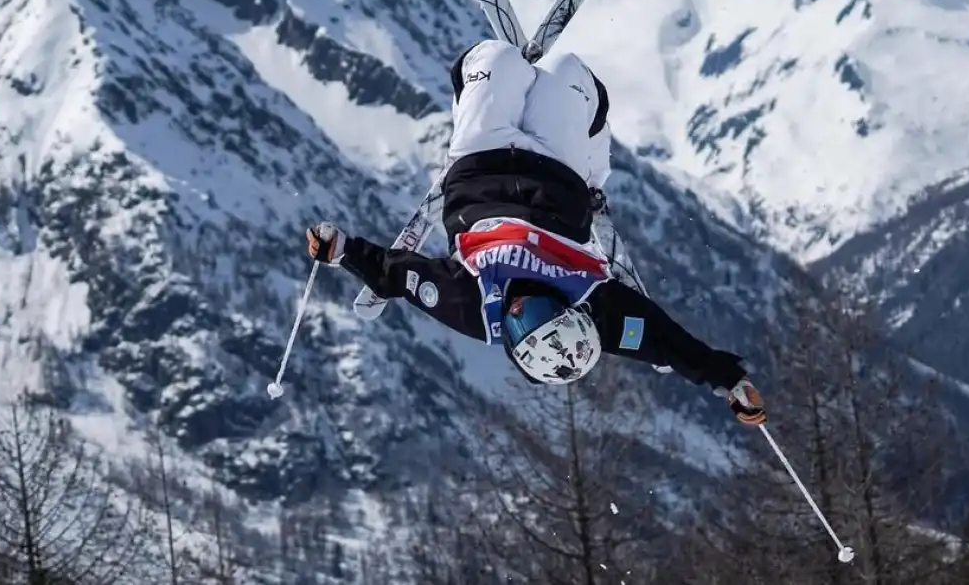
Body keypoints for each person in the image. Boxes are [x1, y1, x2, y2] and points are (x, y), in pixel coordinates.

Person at [305, 39, 765, 426]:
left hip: (479, 161)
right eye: (540, 313)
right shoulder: (598, 311)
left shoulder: (472, 308)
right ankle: (591, 163)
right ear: (568, 312)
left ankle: (495, 84)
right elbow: (668, 343)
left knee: (490, 59)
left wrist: (340, 250)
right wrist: (730, 381)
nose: (520, 308)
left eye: (518, 325)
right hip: (557, 169)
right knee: (571, 73)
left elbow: (398, 275)